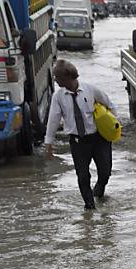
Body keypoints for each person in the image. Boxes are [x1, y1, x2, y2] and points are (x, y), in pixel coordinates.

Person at [44, 59, 115, 211]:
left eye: (57, 77)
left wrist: (114, 127)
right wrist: (48, 142)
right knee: (83, 176)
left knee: (105, 171)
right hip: (78, 142)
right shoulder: (58, 96)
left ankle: (99, 190)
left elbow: (110, 105)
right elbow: (53, 119)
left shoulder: (90, 90)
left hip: (99, 138)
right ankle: (89, 209)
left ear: (68, 77)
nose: (55, 80)